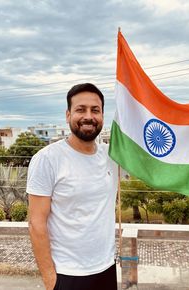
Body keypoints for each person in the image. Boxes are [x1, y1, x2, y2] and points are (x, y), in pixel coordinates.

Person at [27, 83, 118, 290]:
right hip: (67, 274)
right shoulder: (48, 159)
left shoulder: (112, 156)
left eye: (95, 110)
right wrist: (51, 282)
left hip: (106, 268)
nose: (88, 116)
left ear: (102, 116)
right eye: (80, 109)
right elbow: (36, 223)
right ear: (68, 115)